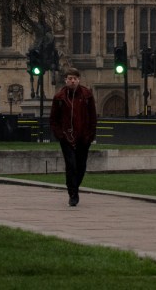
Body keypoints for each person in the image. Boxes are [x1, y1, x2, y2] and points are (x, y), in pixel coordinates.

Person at [49, 66, 97, 207]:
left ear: (79, 80)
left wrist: (90, 135)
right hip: (67, 138)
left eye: (75, 79)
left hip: (83, 137)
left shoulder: (87, 95)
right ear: (65, 80)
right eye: (70, 78)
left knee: (81, 166)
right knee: (71, 165)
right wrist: (60, 135)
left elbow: (93, 117)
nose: (72, 81)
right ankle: (73, 194)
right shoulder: (59, 97)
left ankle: (74, 188)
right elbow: (53, 119)